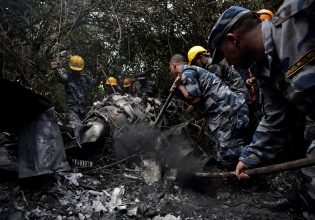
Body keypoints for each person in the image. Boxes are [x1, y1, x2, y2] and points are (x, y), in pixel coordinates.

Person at [208, 2, 315, 216]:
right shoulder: (263, 70)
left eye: (224, 54)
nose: (227, 63)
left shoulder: (297, 15)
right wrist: (251, 157)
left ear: (233, 40)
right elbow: (275, 119)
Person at [169, 54, 249, 169]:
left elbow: (195, 98)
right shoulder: (192, 70)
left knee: (229, 154)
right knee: (225, 150)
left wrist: (180, 86)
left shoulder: (186, 73)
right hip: (228, 110)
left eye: (170, 68)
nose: (170, 71)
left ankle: (250, 180)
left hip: (228, 112)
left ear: (174, 65)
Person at [51, 55, 102, 128]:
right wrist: (55, 71)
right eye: (74, 70)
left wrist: (99, 73)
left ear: (81, 69)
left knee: (91, 127)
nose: (76, 72)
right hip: (72, 110)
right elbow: (61, 79)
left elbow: (96, 83)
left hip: (84, 110)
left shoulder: (85, 78)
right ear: (70, 68)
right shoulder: (67, 77)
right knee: (77, 128)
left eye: (77, 70)